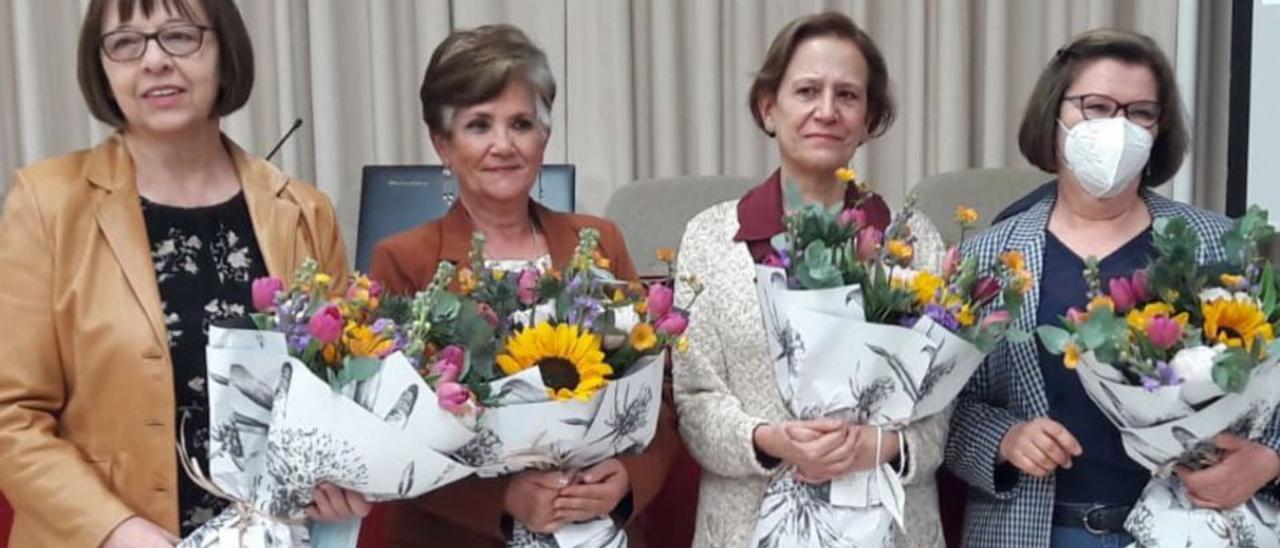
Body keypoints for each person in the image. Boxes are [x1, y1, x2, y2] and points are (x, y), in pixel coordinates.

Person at [0, 0, 365, 546]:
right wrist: (115, 529)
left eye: (179, 36)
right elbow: (12, 415)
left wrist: (345, 472)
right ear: (102, 67)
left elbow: (343, 393)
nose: (153, 61)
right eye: (126, 43)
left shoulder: (303, 212)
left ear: (225, 52)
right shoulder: (48, 205)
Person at [944, 28, 1280, 547]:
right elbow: (943, 408)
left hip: (1191, 526)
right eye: (1096, 107)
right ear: (1054, 115)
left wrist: (1270, 461)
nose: (1118, 128)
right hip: (1030, 531)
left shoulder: (1217, 246)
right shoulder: (987, 256)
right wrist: (1003, 439)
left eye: (1140, 112)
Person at [369, 24, 680, 548]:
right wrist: (503, 500)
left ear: (545, 136)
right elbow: (387, 437)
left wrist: (626, 479)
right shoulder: (404, 261)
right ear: (442, 144)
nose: (503, 145)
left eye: (521, 123)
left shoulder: (599, 243)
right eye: (478, 125)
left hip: (593, 534)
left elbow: (660, 402)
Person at [672, 12, 948, 548]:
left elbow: (943, 408)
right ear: (768, 108)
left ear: (869, 118)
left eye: (847, 94)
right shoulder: (709, 238)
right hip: (743, 527)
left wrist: (881, 445)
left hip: (889, 526)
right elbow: (695, 399)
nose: (827, 110)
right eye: (807, 90)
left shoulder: (914, 242)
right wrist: (770, 438)